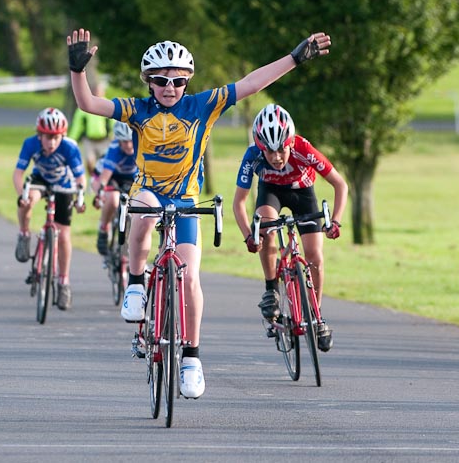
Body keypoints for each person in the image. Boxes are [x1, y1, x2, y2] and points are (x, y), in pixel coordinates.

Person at [67, 27, 331, 398]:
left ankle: (191, 356)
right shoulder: (138, 110)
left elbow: (251, 84)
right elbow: (90, 105)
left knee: (190, 278)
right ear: (149, 83)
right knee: (144, 207)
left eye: (177, 80)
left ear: (187, 81)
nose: (169, 87)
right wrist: (77, 72)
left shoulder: (203, 105)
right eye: (160, 80)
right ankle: (135, 284)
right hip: (149, 192)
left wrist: (294, 58)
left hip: (187, 200)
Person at [232, 104, 347, 352]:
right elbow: (239, 203)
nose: (276, 157)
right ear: (260, 147)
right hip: (270, 193)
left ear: (290, 142)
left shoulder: (303, 148)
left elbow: (340, 184)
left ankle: (315, 316)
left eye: (281, 149)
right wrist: (248, 237)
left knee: (314, 254)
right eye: (269, 151)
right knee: (266, 231)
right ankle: (271, 288)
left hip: (302, 194)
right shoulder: (252, 156)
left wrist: (334, 220)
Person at [13, 107, 87, 310]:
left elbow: (81, 179)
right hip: (41, 180)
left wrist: (80, 198)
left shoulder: (70, 148)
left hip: (64, 184)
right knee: (27, 201)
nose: (52, 142)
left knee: (63, 235)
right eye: (47, 137)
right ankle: (24, 234)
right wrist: (22, 195)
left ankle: (63, 282)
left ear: (62, 135)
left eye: (56, 137)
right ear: (39, 135)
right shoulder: (30, 144)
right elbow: (18, 173)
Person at [92, 121, 137, 256]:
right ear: (118, 140)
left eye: (131, 141)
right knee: (113, 199)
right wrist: (99, 194)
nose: (128, 145)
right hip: (109, 176)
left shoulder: (142, 147)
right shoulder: (114, 149)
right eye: (124, 141)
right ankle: (103, 229)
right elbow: (104, 177)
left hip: (131, 179)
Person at [69, 82, 112, 175]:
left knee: (104, 163)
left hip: (104, 140)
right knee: (90, 162)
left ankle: (103, 183)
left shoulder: (108, 105)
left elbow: (113, 123)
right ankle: (93, 179)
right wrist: (72, 140)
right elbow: (77, 126)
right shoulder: (85, 106)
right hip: (89, 140)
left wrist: (114, 136)